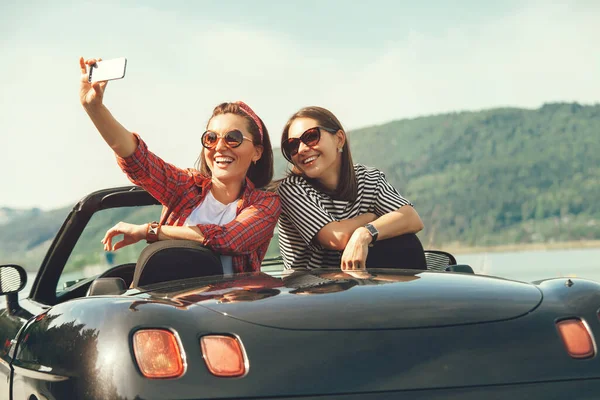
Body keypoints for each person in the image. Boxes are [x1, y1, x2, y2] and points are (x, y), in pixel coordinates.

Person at [78, 57, 280, 274]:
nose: (220, 147)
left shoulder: (265, 204)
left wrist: (149, 231)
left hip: (232, 307)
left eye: (233, 138)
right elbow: (138, 161)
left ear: (257, 152)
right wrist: (94, 108)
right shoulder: (185, 187)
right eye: (211, 138)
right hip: (169, 305)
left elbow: (230, 239)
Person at [276, 106, 424, 271]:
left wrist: (364, 234)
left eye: (311, 137)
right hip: (311, 291)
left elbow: (411, 219)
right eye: (293, 145)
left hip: (359, 284)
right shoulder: (291, 190)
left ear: (339, 139)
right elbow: (336, 238)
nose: (301, 149)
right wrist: (374, 216)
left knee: (406, 243)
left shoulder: (368, 178)